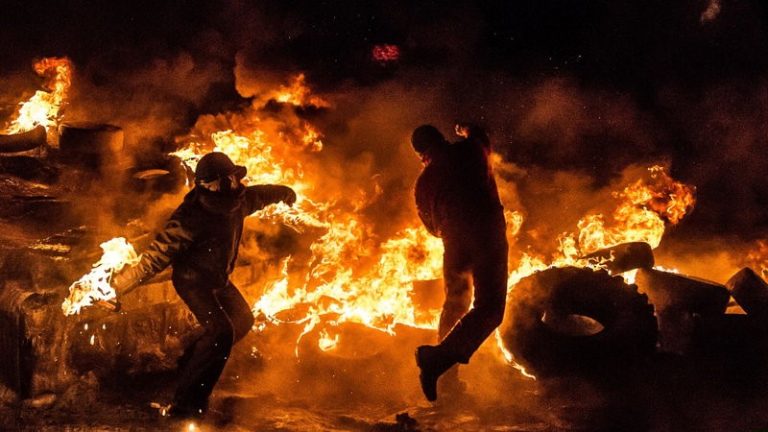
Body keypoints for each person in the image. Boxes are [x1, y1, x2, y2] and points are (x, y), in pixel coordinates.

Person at [111, 152, 296, 419]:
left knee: (243, 320)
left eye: (231, 178)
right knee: (221, 333)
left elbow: (262, 194)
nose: (229, 184)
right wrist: (118, 287)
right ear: (205, 185)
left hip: (219, 279)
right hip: (193, 282)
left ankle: (188, 363)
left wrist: (285, 192)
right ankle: (186, 405)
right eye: (219, 182)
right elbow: (154, 258)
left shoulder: (239, 201)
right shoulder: (190, 217)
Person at [412, 123, 508, 401]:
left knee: (455, 305)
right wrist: (463, 128)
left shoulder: (423, 183)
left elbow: (432, 228)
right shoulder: (470, 150)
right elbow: (480, 133)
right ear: (441, 138)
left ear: (420, 154)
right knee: (490, 307)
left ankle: (448, 382)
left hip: (454, 243)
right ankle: (437, 360)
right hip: (487, 235)